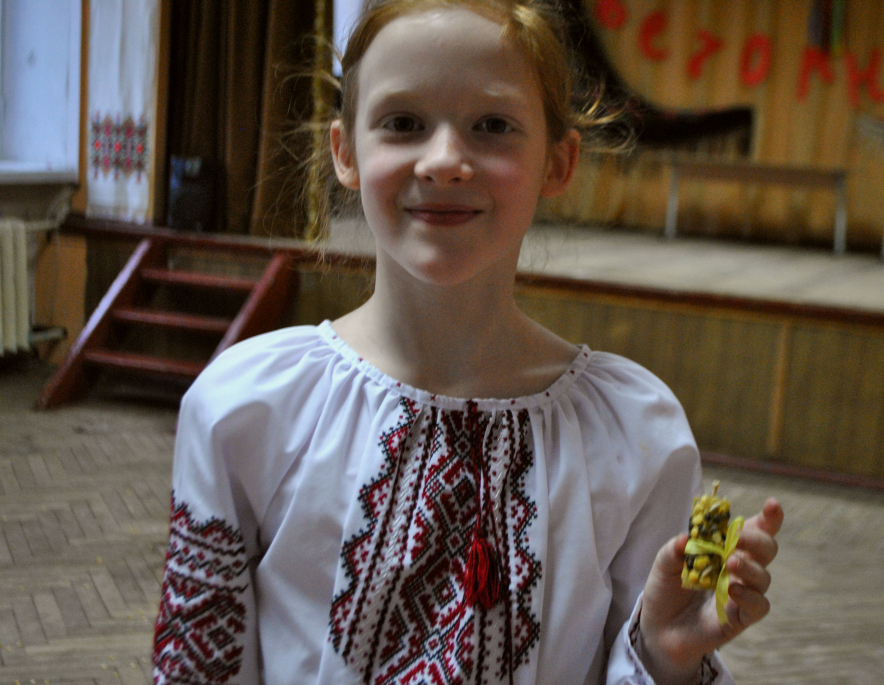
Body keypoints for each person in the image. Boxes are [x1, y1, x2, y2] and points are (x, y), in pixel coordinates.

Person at [152, 1, 783, 683]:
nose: (446, 161)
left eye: (493, 125)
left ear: (558, 162)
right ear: (345, 152)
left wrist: (663, 655)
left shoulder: (634, 435)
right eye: (403, 123)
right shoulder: (248, 409)